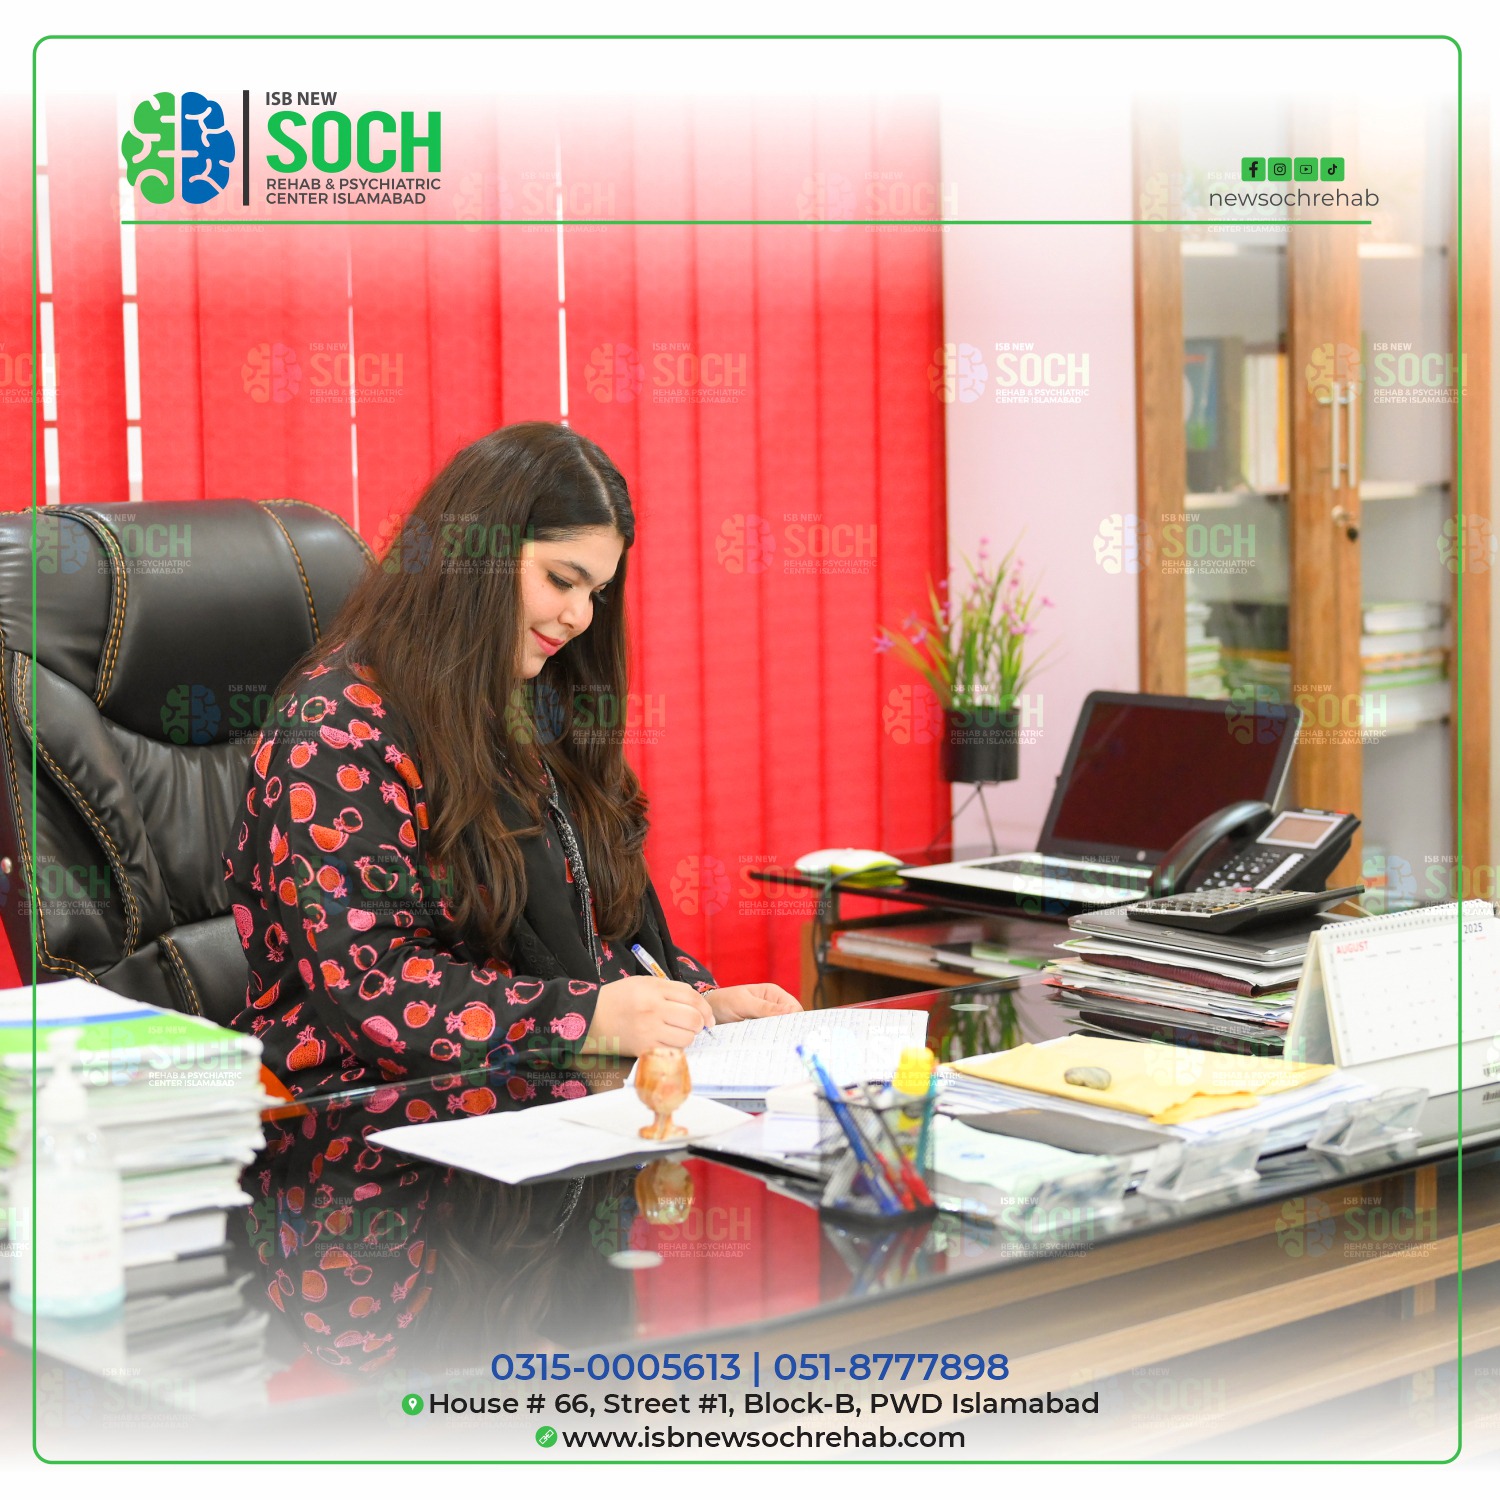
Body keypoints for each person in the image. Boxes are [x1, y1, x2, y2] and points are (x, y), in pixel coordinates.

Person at [224, 422, 799, 1096]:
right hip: (367, 1110)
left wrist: (690, 1006)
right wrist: (586, 1020)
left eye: (596, 593)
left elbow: (592, 936)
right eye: (562, 579)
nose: (580, 617)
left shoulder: (526, 708)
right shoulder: (337, 727)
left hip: (538, 1090)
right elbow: (373, 986)